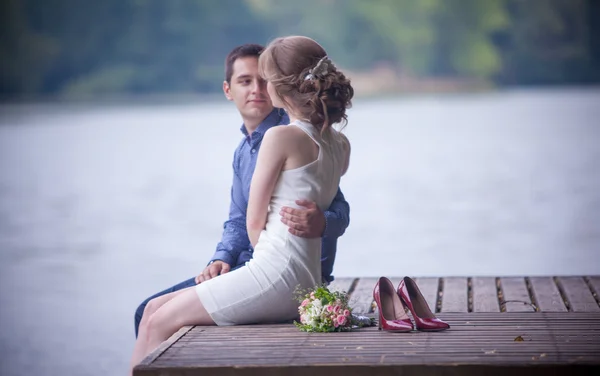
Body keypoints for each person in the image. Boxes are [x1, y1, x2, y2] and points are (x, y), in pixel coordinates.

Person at [129, 35, 353, 372]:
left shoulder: (279, 137)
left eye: (264, 79)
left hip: (274, 275)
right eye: (246, 81)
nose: (259, 89)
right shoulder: (341, 143)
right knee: (150, 312)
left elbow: (253, 221)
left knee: (159, 321)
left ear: (279, 86)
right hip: (302, 279)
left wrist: (258, 266)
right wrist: (223, 260)